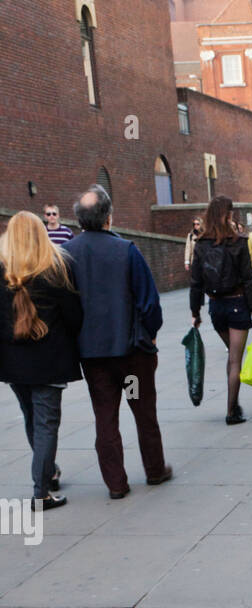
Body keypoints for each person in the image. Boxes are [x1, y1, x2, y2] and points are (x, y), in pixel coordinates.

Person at [65, 184, 171, 499]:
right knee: (143, 412)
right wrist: (151, 335)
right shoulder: (126, 250)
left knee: (105, 416)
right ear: (109, 217)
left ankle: (116, 483)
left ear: (79, 220)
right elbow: (149, 303)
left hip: (94, 356)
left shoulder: (67, 255)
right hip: (131, 354)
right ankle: (154, 470)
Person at [0, 211, 82, 510]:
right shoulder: (56, 267)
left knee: (32, 418)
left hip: (13, 362)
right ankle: (41, 492)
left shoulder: (3, 269)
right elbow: (73, 316)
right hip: (50, 358)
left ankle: (49, 472)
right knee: (46, 423)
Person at [190, 195, 252, 425]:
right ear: (229, 214)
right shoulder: (238, 241)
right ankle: (232, 410)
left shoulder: (201, 243)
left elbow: (195, 282)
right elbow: (247, 280)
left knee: (232, 357)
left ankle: (234, 404)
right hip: (237, 304)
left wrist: (195, 313)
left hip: (216, 307)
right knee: (235, 360)